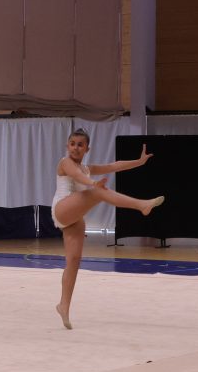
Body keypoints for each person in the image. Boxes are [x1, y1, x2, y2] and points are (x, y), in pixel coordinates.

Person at [51, 129, 164, 330]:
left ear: (87, 149)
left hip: (75, 218)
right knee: (97, 192)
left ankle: (63, 305)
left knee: (74, 261)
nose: (75, 148)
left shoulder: (87, 168)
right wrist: (93, 183)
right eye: (72, 143)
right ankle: (141, 205)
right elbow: (76, 175)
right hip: (61, 209)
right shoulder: (65, 162)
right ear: (67, 146)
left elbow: (113, 166)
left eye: (80, 145)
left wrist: (139, 162)